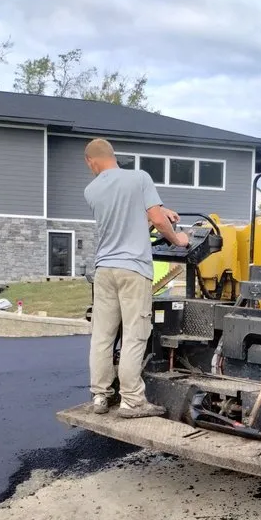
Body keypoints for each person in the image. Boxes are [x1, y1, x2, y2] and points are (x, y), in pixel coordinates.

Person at [83, 137, 188, 418]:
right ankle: (132, 401)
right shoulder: (139, 177)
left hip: (104, 270)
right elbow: (154, 219)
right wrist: (177, 238)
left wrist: (159, 212)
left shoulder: (91, 190)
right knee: (134, 334)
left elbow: (129, 216)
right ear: (112, 155)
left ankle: (100, 397)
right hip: (133, 269)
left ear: (90, 161)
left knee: (102, 336)